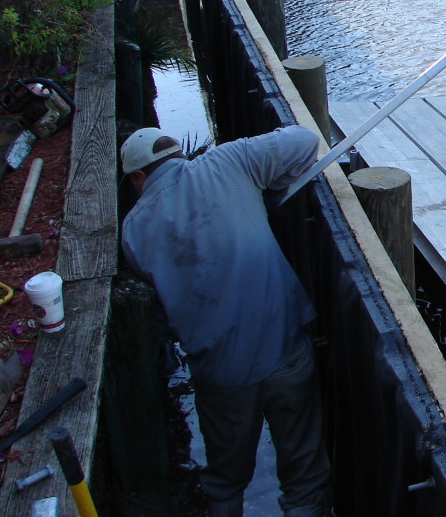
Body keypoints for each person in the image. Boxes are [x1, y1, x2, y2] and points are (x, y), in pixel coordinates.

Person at [119, 125, 331, 517]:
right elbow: (305, 140)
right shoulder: (229, 161)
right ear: (177, 154)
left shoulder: (132, 230)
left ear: (138, 177)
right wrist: (269, 191)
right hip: (283, 352)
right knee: (304, 475)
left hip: (219, 372)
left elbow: (161, 314)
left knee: (223, 481)